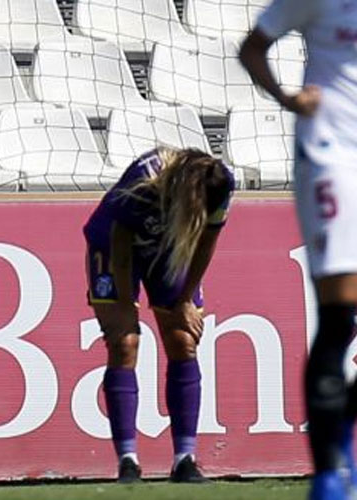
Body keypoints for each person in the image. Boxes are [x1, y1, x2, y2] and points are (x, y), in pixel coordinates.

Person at [239, 2, 357, 498]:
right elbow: (253, 48)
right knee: (340, 318)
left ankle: (341, 442)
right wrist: (288, 100)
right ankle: (328, 475)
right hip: (332, 160)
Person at [83, 147, 235, 483]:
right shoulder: (146, 180)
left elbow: (207, 242)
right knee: (124, 343)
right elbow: (120, 246)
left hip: (168, 246)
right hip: (112, 247)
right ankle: (127, 461)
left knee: (183, 339)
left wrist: (184, 299)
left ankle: (185, 459)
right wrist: (125, 304)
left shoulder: (221, 183)